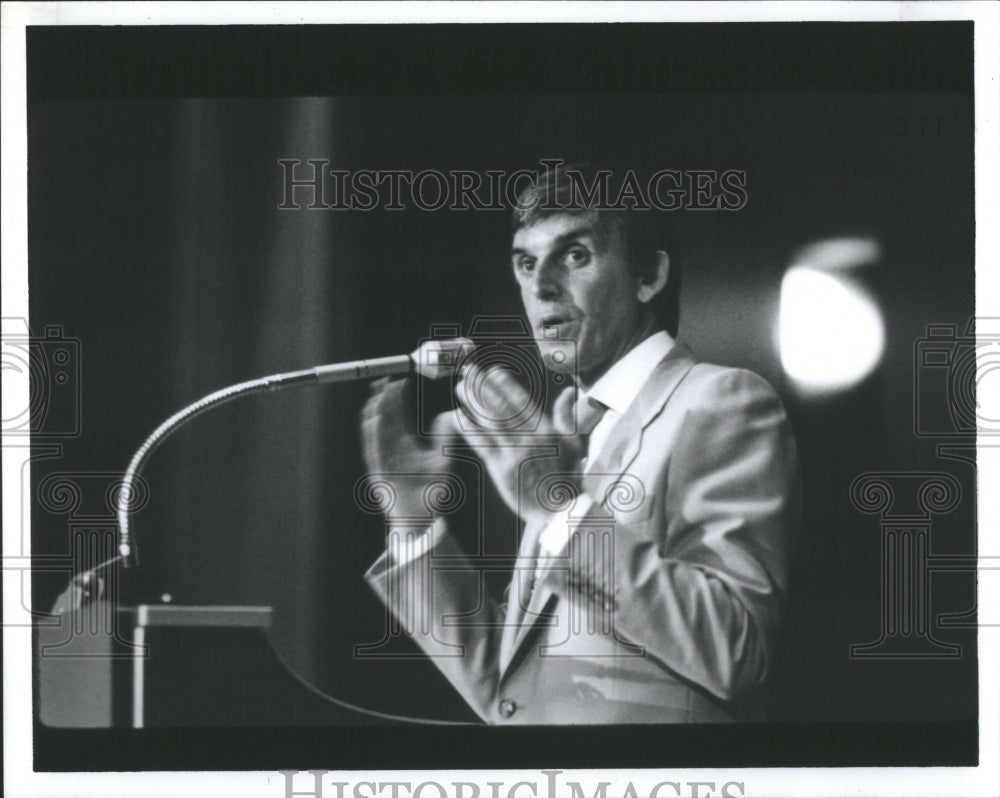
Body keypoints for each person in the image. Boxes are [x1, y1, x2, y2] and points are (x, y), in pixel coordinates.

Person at [360, 163, 800, 724]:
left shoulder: (721, 401)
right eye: (525, 262)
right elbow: (510, 694)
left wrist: (557, 508)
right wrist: (414, 526)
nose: (540, 284)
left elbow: (736, 649)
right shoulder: (568, 429)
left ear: (648, 275)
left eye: (574, 255)